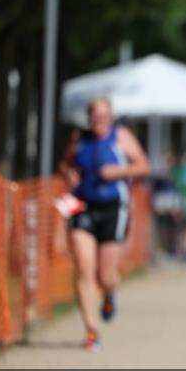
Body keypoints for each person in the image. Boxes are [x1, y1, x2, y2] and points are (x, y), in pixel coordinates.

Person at [58, 97, 150, 350]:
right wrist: (68, 173)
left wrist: (118, 172)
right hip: (82, 207)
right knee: (84, 270)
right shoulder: (80, 139)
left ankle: (109, 294)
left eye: (103, 116)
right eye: (95, 116)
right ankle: (91, 330)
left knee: (105, 275)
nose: (99, 120)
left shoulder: (120, 136)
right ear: (89, 117)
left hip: (113, 209)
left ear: (110, 117)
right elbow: (64, 164)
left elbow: (143, 166)